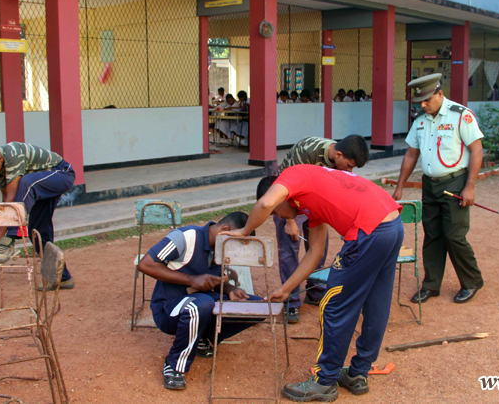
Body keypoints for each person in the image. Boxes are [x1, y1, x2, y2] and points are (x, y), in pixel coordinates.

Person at [222, 166, 404, 402]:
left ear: (281, 194)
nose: (279, 217)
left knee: (334, 304)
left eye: (278, 212)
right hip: (391, 223)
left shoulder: (292, 176)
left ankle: (324, 381)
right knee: (376, 301)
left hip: (368, 231)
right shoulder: (310, 200)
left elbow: (264, 204)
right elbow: (315, 252)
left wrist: (245, 231)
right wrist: (287, 289)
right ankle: (358, 373)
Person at [137, 211, 259, 390]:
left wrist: (231, 289)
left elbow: (212, 281)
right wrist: (191, 280)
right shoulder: (185, 238)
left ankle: (202, 337)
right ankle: (174, 366)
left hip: (201, 300)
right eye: (237, 243)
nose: (236, 251)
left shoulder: (221, 249)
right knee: (201, 305)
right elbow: (145, 264)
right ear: (225, 230)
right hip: (168, 307)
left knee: (256, 306)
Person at [392, 73, 484, 304]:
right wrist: (399, 187)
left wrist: (470, 187)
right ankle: (431, 286)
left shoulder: (461, 115)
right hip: (430, 186)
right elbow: (411, 154)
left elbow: (477, 150)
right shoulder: (420, 122)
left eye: (427, 100)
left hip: (455, 183)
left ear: (440, 94)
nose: (422, 105)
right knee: (432, 236)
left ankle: (472, 281)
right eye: (419, 102)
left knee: (454, 236)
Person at [275, 135, 370, 324]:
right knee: (289, 250)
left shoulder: (340, 162)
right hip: (289, 201)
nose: (349, 171)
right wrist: (289, 221)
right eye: (349, 166)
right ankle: (290, 302)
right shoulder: (307, 151)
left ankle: (314, 291)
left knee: (319, 248)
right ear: (339, 154)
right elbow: (284, 184)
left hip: (315, 203)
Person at [0, 142, 75, 289]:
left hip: (61, 173)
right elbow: (6, 200)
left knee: (26, 182)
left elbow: (12, 197)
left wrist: (2, 237)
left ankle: (11, 237)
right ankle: (64, 278)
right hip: (41, 187)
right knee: (37, 230)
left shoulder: (13, 154)